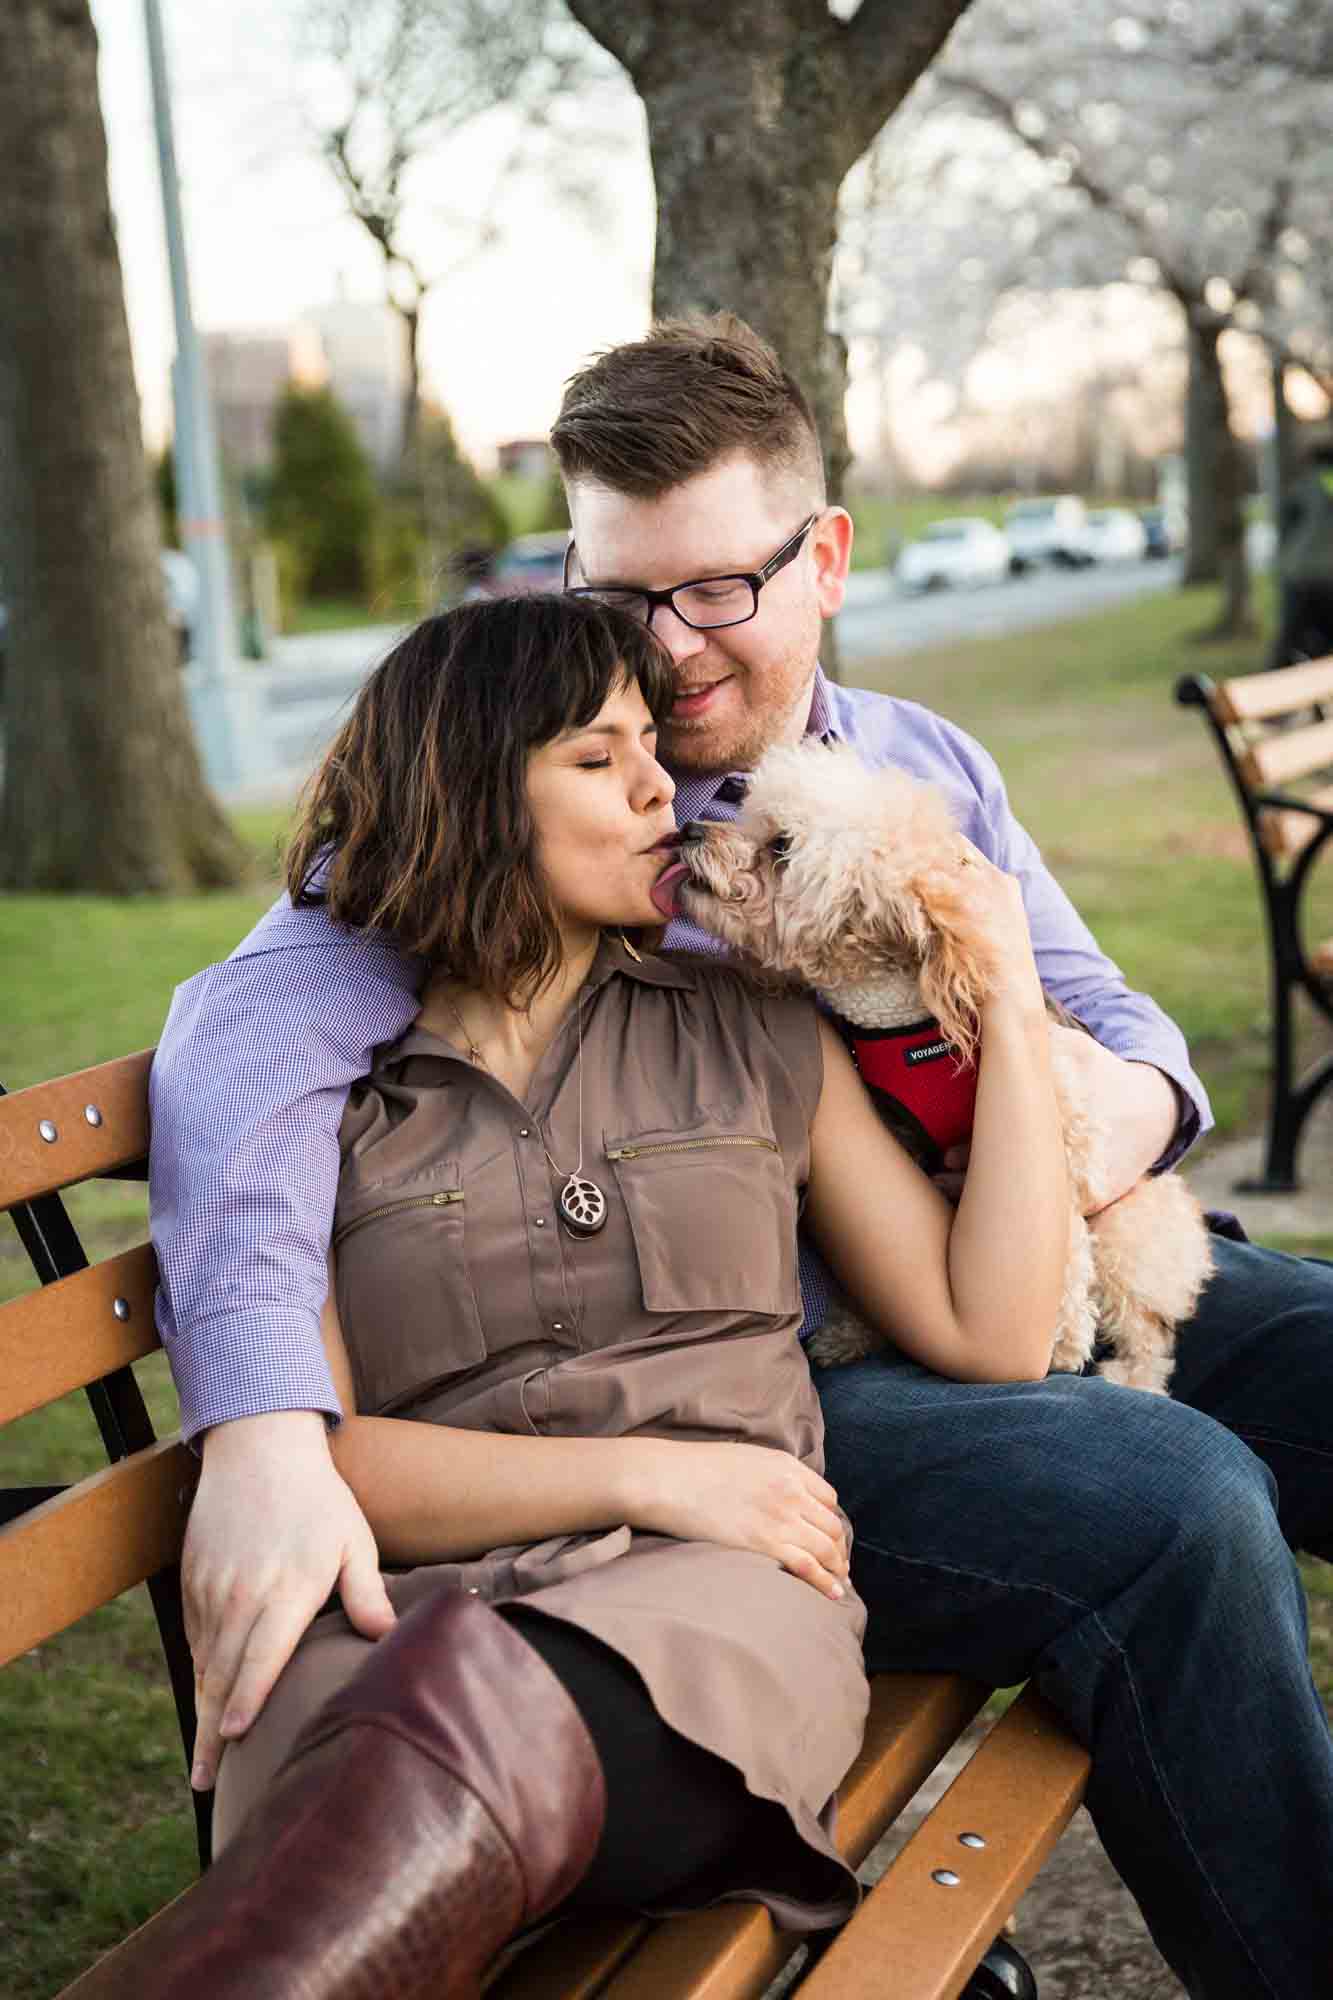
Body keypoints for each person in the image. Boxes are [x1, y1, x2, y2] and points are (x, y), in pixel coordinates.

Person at [149, 318, 1333, 2000]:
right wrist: (268, 1432)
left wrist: (1068, 1146)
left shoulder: (922, 764)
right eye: (622, 593)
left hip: (1032, 1255)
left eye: (716, 589)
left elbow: (1118, 1031)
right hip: (787, 1368)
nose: (669, 655)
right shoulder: (514, 822)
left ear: (825, 557)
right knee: (1172, 1508)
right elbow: (242, 1050)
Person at [123, 592, 1070, 1999]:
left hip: (700, 1625)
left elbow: (987, 1329)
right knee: (394, 1726)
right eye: (593, 758)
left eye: (650, 747)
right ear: (467, 796)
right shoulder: (327, 1094)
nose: (657, 789)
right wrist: (659, 1474)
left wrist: (1008, 994)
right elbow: (325, 1466)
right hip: (380, 1615)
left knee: (416, 1768)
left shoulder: (749, 1031)